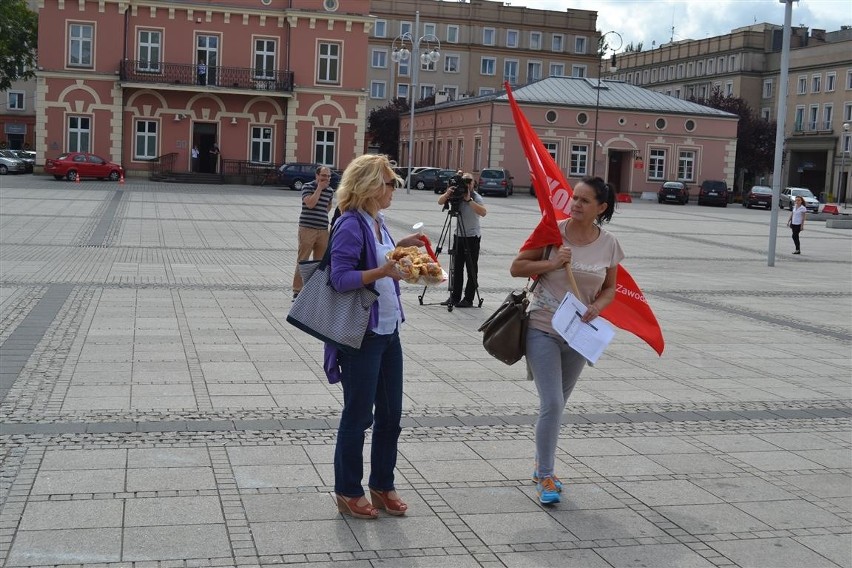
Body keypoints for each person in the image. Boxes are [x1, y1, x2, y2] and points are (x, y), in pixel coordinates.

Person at [509, 176, 621, 505]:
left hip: (578, 335)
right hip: (542, 327)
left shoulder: (610, 243)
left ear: (601, 208)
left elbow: (610, 288)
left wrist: (597, 307)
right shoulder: (552, 232)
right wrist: (553, 262)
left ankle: (540, 466)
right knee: (552, 403)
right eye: (574, 197)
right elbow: (516, 267)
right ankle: (545, 475)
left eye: (585, 201)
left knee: (557, 406)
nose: (575, 204)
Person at [327, 154, 425, 519]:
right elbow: (340, 279)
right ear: (368, 186)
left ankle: (382, 484)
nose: (393, 189)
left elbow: (380, 262)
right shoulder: (351, 224)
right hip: (362, 335)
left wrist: (402, 245)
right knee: (358, 416)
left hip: (388, 330)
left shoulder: (377, 222)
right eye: (388, 183)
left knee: (390, 415)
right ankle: (348, 490)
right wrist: (383, 269)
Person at [436, 172, 486, 308]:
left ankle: (469, 299)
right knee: (456, 268)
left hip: (472, 237)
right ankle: (455, 297)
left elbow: (483, 212)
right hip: (459, 236)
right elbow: (440, 201)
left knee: (471, 269)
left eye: (469, 181)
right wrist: (447, 194)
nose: (467, 184)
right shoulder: (456, 195)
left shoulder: (476, 197)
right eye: (464, 181)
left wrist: (469, 200)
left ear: (473, 183)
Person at [292, 166, 335, 300]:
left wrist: (322, 214)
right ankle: (297, 290)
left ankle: (314, 291)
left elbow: (328, 206)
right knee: (303, 260)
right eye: (323, 176)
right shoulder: (307, 187)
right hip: (307, 228)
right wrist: (319, 189)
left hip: (322, 230)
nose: (326, 179)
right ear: (316, 176)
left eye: (328, 176)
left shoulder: (330, 190)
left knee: (320, 262)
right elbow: (310, 204)